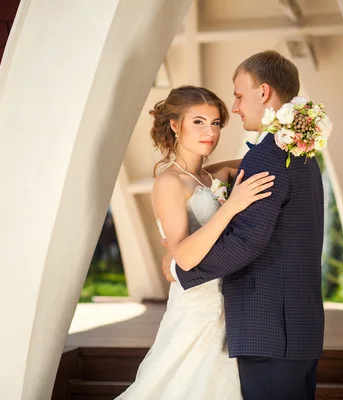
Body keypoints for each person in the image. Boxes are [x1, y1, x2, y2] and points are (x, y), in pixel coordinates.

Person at [163, 50, 325, 400]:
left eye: (238, 96)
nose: (235, 108)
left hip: (271, 329)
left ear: (263, 92)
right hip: (296, 326)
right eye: (200, 122)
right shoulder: (298, 149)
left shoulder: (270, 153)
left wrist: (179, 270)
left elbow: (247, 242)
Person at [116, 85, 274, 400]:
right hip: (196, 305)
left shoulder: (210, 176)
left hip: (227, 301)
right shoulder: (168, 182)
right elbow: (184, 258)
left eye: (215, 123)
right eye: (198, 122)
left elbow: (259, 159)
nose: (210, 132)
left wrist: (297, 129)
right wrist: (231, 206)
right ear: (175, 125)